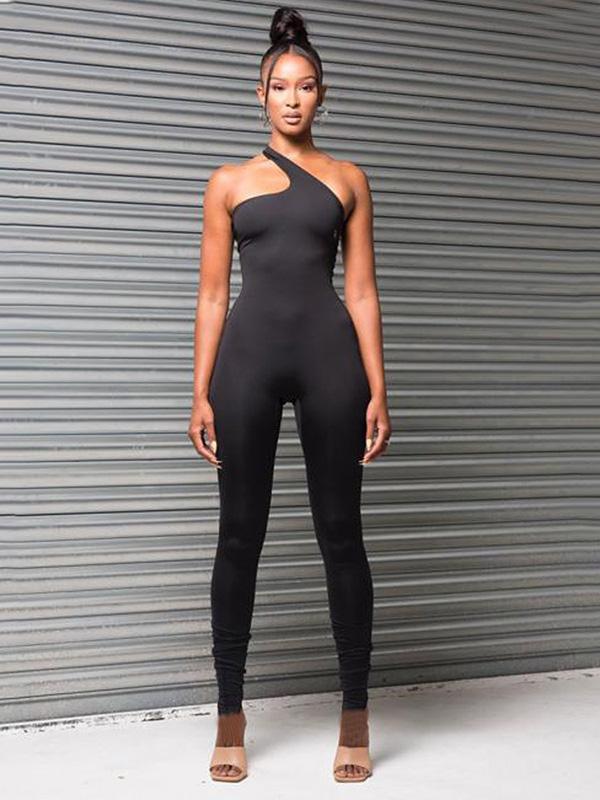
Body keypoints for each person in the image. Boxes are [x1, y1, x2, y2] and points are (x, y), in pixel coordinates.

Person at [188, 5, 392, 784]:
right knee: (238, 536)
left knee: (342, 534)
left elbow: (362, 291)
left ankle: (355, 718)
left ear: (322, 95)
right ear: (261, 95)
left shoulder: (348, 180)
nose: (294, 99)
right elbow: (212, 295)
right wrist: (199, 392)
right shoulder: (228, 182)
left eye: (306, 86)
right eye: (281, 87)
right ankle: (230, 718)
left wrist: (379, 388)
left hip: (329, 361)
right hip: (246, 364)